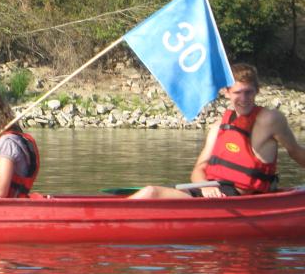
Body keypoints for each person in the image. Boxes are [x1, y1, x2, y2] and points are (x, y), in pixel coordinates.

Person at [130, 63, 305, 199]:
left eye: (249, 92)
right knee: (149, 192)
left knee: (151, 192)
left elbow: (296, 152)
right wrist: (206, 185)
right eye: (238, 93)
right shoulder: (218, 126)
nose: (244, 99)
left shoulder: (270, 119)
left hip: (241, 198)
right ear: (227, 92)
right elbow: (198, 170)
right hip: (211, 193)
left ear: (257, 91)